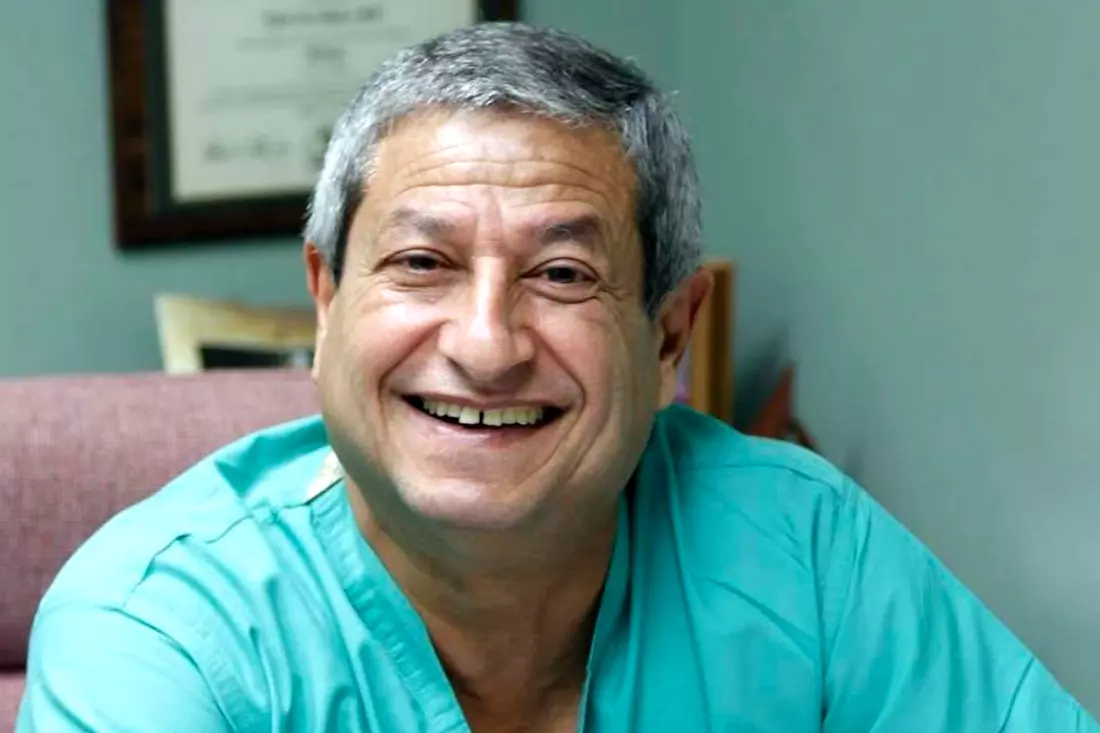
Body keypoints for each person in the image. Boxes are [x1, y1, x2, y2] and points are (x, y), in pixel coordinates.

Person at [17, 22, 1098, 733]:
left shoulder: (801, 548)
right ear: (327, 293)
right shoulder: (161, 636)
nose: (486, 345)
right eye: (421, 262)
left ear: (668, 329)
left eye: (563, 273)